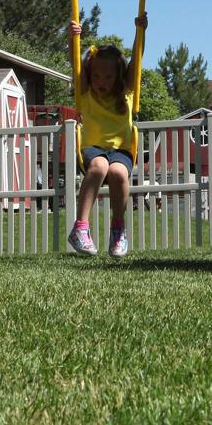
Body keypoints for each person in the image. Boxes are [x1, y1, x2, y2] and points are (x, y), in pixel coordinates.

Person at [66, 15, 146, 258]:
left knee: (119, 172)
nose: (102, 82)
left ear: (119, 77)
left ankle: (118, 230)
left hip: (121, 149)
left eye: (109, 77)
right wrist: (73, 39)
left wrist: (140, 32)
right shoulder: (85, 93)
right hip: (92, 147)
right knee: (100, 167)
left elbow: (137, 60)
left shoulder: (127, 92)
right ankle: (80, 228)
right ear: (90, 75)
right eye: (97, 76)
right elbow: (74, 62)